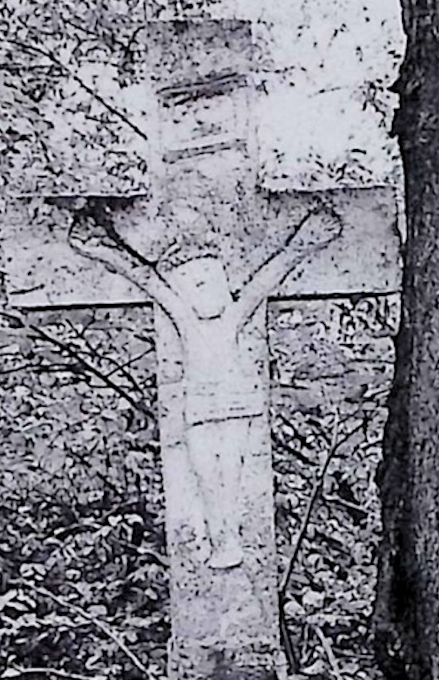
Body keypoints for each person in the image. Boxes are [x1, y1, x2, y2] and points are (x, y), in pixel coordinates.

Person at [71, 199, 343, 568]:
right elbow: (148, 280)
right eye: (199, 283)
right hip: (199, 408)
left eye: (215, 280)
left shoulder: (232, 317)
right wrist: (102, 248)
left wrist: (305, 241)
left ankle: (229, 540)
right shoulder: (185, 320)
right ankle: (222, 540)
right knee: (203, 471)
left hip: (237, 403)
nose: (211, 289)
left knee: (231, 471)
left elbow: (266, 279)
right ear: (185, 290)